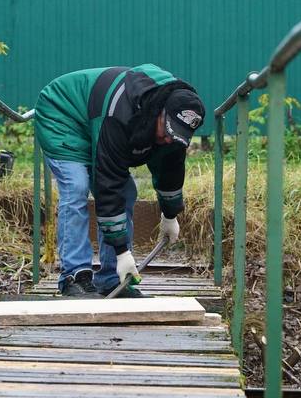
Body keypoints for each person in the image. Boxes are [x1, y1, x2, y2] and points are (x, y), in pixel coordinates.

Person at [33, 64, 205, 298]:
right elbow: (108, 183)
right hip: (64, 115)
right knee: (76, 186)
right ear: (158, 111)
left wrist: (170, 214)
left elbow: (170, 171)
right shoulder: (120, 113)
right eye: (166, 131)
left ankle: (112, 280)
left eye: (175, 135)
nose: (168, 139)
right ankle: (74, 277)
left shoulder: (174, 126)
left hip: (96, 122)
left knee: (126, 192)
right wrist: (123, 252)